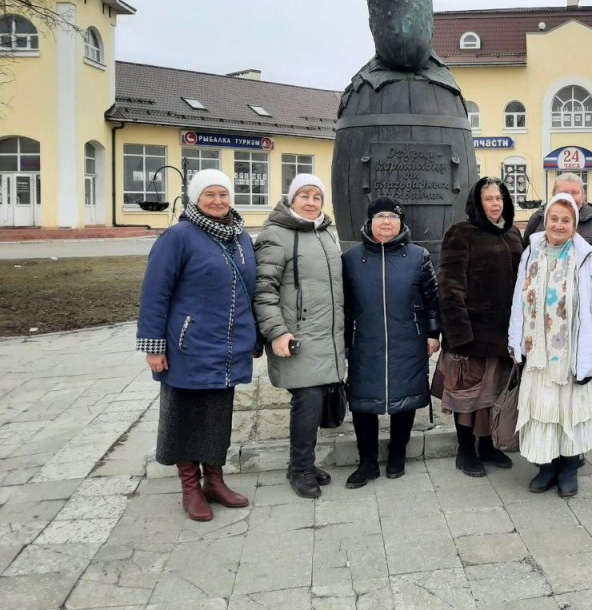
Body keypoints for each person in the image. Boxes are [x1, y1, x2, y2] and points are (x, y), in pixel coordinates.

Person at [136, 169, 257, 522]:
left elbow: (251, 291)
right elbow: (155, 293)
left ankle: (215, 481)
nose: (218, 201)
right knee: (184, 416)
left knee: (218, 415)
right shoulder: (179, 237)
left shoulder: (240, 237)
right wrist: (154, 346)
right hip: (187, 345)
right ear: (195, 198)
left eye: (223, 194)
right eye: (210, 195)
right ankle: (190, 486)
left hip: (229, 346)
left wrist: (254, 337)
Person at [509, 193, 592, 498]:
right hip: (538, 354)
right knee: (543, 411)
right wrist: (516, 342)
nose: (559, 224)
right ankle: (547, 467)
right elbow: (519, 300)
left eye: (566, 220)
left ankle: (568, 468)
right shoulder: (531, 253)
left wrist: (591, 348)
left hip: (571, 354)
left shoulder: (585, 257)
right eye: (554, 218)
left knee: (569, 411)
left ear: (575, 225)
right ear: (545, 220)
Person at [254, 173, 345, 500]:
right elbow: (264, 291)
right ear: (291, 199)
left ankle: (304, 463)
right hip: (298, 337)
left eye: (316, 196)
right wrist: (276, 332)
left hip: (327, 336)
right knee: (307, 403)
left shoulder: (324, 234)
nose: (310, 202)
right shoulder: (275, 235)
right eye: (304, 195)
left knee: (316, 400)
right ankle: (300, 469)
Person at [342, 197, 441, 488]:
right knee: (363, 402)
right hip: (365, 341)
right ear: (369, 222)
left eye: (393, 217)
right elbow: (345, 306)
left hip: (407, 340)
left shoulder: (417, 256)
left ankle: (397, 452)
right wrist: (345, 340)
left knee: (404, 399)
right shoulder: (351, 259)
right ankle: (367, 462)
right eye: (380, 216)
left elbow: (431, 301)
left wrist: (433, 334)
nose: (386, 222)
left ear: (401, 223)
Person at [435, 177, 525, 477]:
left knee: (494, 393)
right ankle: (465, 450)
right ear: (477, 203)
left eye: (500, 198)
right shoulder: (461, 234)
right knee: (467, 395)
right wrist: (459, 333)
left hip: (503, 334)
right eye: (489, 199)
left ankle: (487, 446)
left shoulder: (513, 233)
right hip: (471, 333)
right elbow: (450, 285)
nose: (496, 204)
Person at [523, 172, 592, 295]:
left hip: (581, 300)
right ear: (553, 195)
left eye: (575, 192)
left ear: (583, 196)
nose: (569, 197)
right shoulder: (538, 219)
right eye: (563, 192)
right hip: (541, 298)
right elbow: (525, 261)